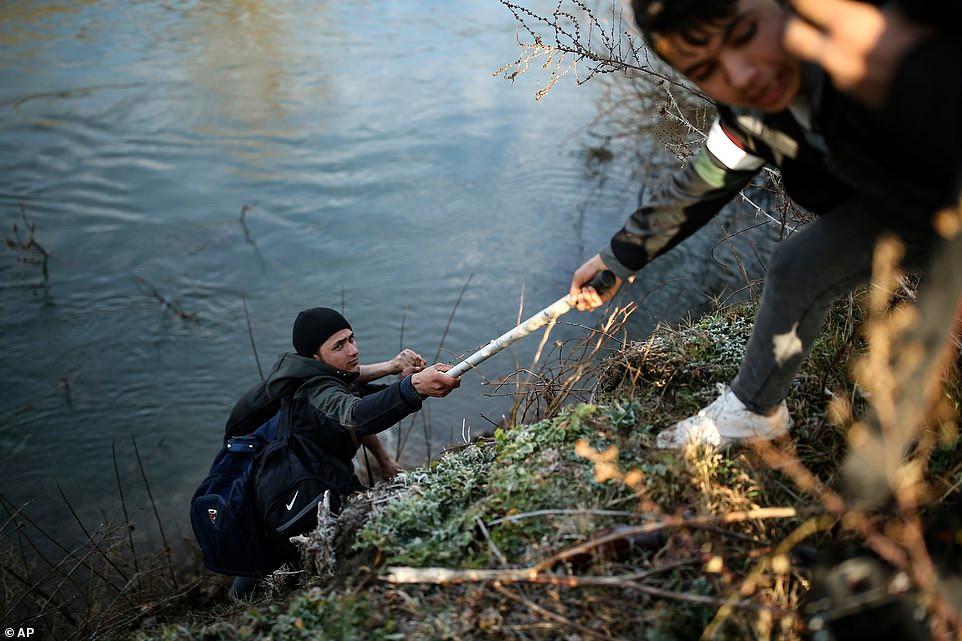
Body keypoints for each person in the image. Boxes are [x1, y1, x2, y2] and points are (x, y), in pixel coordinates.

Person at [568, 0, 959, 449]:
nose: (741, 75)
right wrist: (620, 255)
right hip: (908, 206)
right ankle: (753, 411)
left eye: (745, 34)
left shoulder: (889, 43)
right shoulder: (751, 113)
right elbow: (704, 180)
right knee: (800, 267)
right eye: (706, 67)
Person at [227, 306, 460, 600]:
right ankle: (239, 601)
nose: (353, 350)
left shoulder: (324, 373)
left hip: (318, 473)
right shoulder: (318, 392)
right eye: (339, 345)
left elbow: (361, 399)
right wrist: (413, 386)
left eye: (351, 338)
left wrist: (384, 459)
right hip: (300, 488)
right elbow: (357, 414)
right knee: (269, 557)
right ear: (315, 357)